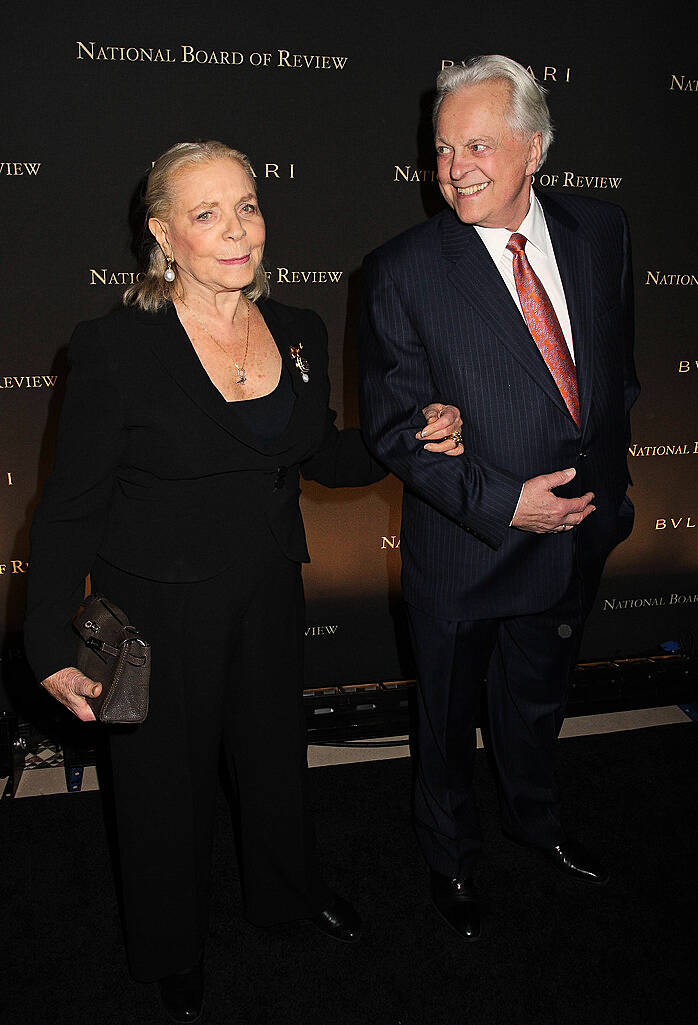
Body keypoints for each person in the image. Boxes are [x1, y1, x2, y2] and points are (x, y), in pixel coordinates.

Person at [23, 140, 465, 1022]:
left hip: (267, 587)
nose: (238, 230)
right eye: (207, 213)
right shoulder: (114, 349)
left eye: (249, 206)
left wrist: (409, 433)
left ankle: (285, 896)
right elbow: (69, 507)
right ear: (163, 236)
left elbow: (319, 454)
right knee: (160, 789)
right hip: (155, 603)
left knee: (273, 764)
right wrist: (44, 640)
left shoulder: (296, 329)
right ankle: (170, 946)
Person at [359, 55, 639, 942]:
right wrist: (505, 502)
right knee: (444, 724)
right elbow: (395, 430)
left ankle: (536, 822)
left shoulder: (603, 231)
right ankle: (449, 857)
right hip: (466, 546)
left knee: (536, 702)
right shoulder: (400, 270)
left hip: (577, 535)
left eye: (477, 145)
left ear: (535, 149)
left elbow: (613, 376)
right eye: (443, 150)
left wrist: (603, 487)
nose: (454, 169)